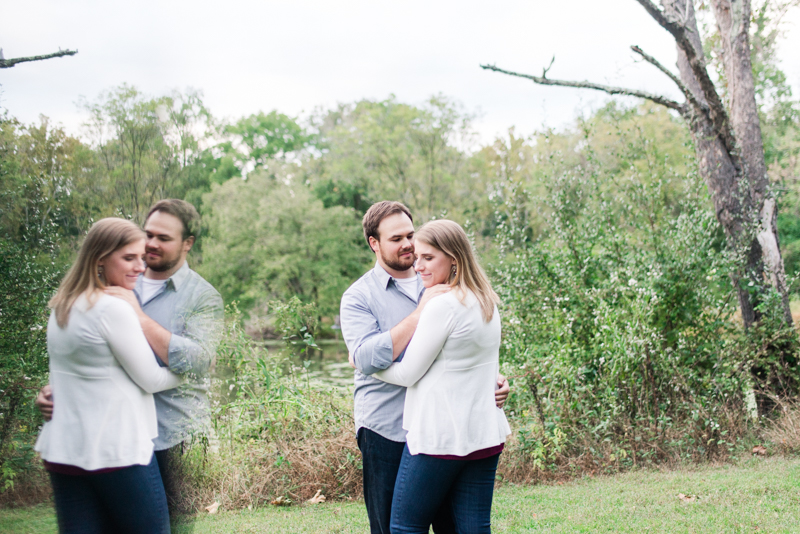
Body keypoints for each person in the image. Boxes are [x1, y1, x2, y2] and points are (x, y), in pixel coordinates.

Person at [37, 199, 224, 517]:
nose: (151, 245)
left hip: (170, 438)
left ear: (187, 243)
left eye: (164, 238)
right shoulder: (112, 282)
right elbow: (94, 357)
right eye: (148, 234)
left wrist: (139, 316)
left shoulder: (202, 297)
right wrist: (55, 390)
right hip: (115, 437)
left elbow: (198, 360)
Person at [340, 201, 509, 534]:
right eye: (395, 239)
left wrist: (493, 379)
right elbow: (366, 354)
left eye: (410, 235)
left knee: (449, 526)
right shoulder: (359, 297)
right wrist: (419, 313)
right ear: (374, 243)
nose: (407, 246)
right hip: (387, 429)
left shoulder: (437, 276)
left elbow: (464, 350)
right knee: (391, 527)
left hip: (442, 430)